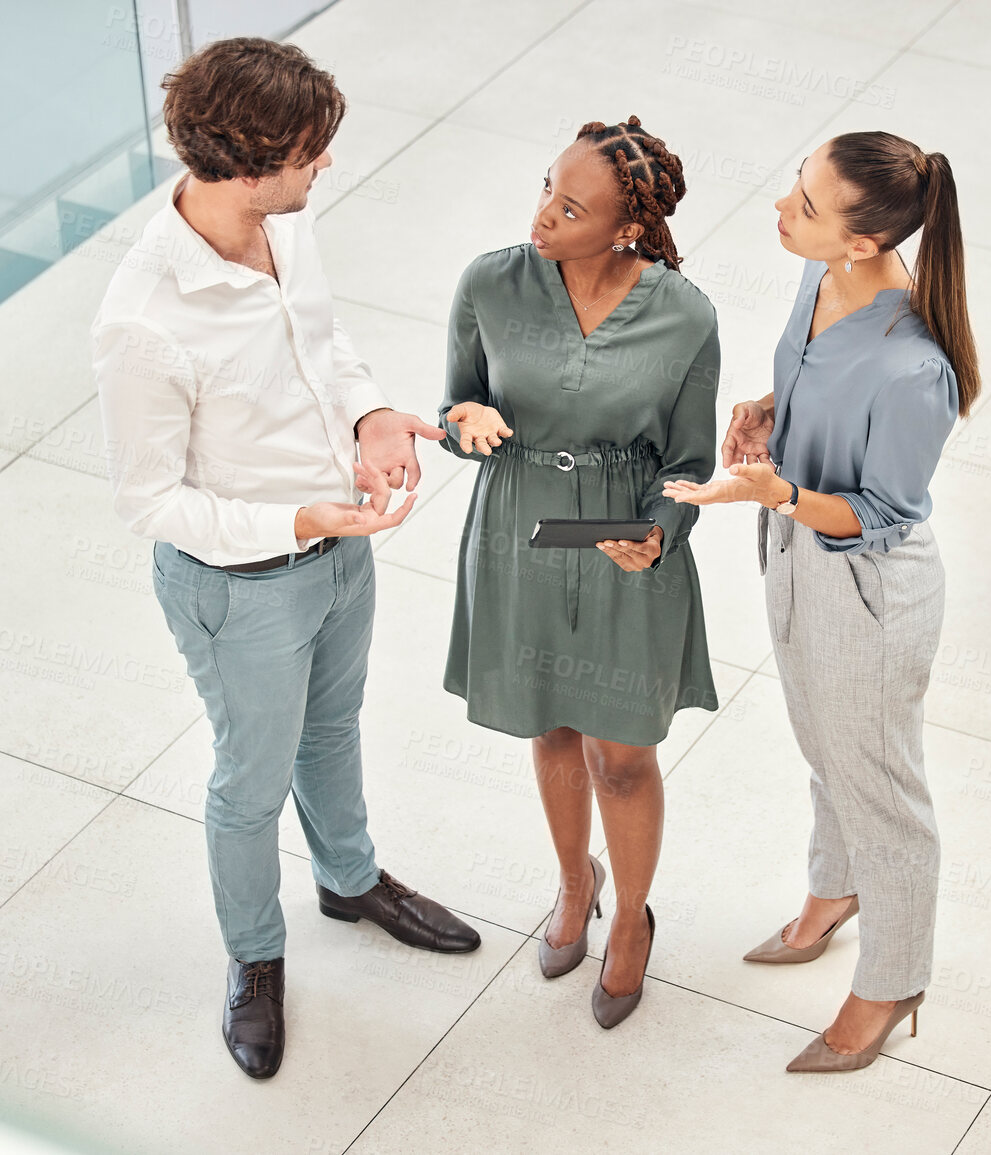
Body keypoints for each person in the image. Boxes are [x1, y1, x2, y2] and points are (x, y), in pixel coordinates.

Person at [89, 39, 480, 1081]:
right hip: (240, 587)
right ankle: (255, 961)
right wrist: (299, 523)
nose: (327, 169)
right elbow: (150, 502)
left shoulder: (280, 224)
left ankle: (349, 880)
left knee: (336, 729)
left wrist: (372, 416)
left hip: (339, 550)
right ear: (252, 161)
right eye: (312, 154)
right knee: (249, 784)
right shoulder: (142, 322)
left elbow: (323, 341)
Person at [665, 130, 980, 1072]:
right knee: (821, 740)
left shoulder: (914, 368)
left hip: (865, 585)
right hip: (796, 551)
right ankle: (833, 889)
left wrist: (778, 495)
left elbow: (883, 511)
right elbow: (816, 382)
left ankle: (892, 977)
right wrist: (771, 409)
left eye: (804, 205)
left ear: (861, 243)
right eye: (794, 187)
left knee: (881, 786)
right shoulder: (820, 277)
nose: (779, 208)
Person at [438, 116, 719, 1028]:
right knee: (550, 724)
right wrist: (462, 424)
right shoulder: (491, 281)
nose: (543, 217)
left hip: (618, 531)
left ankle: (630, 917)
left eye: (570, 207)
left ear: (623, 229)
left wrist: (661, 531)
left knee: (623, 754)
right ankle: (573, 882)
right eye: (545, 189)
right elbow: (456, 404)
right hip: (520, 522)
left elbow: (689, 461)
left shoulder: (683, 313)